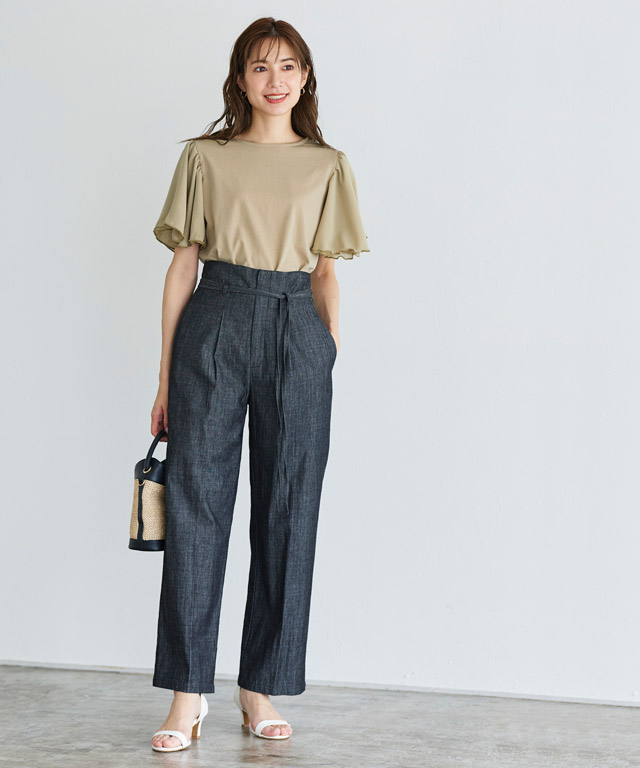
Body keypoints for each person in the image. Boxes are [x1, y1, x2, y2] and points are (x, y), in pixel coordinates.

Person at [149, 16, 369, 753]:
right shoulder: (205, 157)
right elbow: (182, 266)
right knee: (196, 507)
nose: (275, 80)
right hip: (214, 317)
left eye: (289, 66)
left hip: (296, 329)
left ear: (306, 78)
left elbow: (327, 272)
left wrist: (324, 350)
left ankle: (259, 686)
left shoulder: (327, 165)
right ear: (240, 80)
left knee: (289, 508)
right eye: (260, 66)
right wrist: (164, 377)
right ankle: (187, 695)